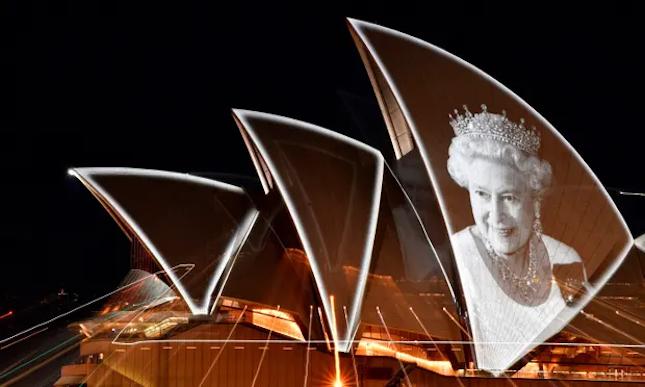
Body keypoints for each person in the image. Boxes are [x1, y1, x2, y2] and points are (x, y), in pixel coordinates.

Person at [446, 105, 586, 373]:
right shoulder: (457, 256)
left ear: (534, 197)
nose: (496, 216)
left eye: (509, 197)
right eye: (482, 195)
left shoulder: (566, 258)